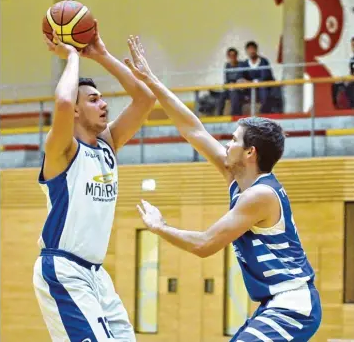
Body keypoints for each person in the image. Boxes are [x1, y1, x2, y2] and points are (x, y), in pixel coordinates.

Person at [124, 36, 322, 341]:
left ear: (250, 153)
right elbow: (193, 129)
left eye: (234, 140)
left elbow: (205, 244)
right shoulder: (239, 177)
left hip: (293, 305)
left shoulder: (259, 196)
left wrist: (160, 227)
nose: (226, 144)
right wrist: (151, 80)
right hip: (275, 304)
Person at [33, 25, 155, 342]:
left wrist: (101, 55)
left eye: (102, 99)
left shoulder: (107, 145)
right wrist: (71, 56)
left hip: (95, 274)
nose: (103, 104)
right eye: (93, 99)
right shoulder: (62, 150)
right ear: (74, 109)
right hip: (64, 270)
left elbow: (145, 99)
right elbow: (61, 102)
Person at [217, 47, 245, 116]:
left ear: (236, 56)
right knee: (221, 95)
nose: (232, 57)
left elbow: (240, 78)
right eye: (230, 55)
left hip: (239, 89)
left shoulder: (241, 64)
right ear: (228, 56)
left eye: (234, 55)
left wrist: (234, 84)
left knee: (234, 94)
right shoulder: (227, 65)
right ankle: (219, 115)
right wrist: (229, 85)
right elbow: (226, 79)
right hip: (230, 88)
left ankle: (235, 115)